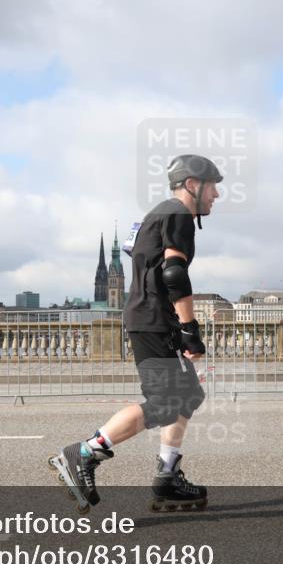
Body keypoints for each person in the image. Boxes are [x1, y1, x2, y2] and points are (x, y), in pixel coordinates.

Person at [49, 155, 222, 513]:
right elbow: (174, 274)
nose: (217, 194)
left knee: (187, 395)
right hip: (155, 320)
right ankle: (83, 453)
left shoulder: (157, 214)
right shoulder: (178, 215)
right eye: (213, 185)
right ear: (192, 184)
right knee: (163, 403)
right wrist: (190, 330)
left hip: (150, 318)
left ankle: (167, 475)